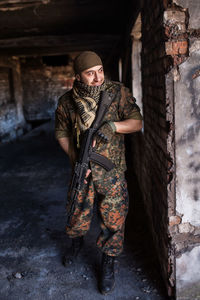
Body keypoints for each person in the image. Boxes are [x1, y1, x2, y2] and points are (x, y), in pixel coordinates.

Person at [55, 51, 142, 295]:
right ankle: (76, 242)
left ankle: (109, 260)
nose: (97, 78)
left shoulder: (117, 92)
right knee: (76, 210)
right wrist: (76, 159)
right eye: (90, 73)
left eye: (100, 70)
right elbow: (61, 132)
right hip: (82, 170)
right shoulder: (67, 102)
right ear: (78, 76)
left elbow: (137, 122)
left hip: (111, 170)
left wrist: (114, 126)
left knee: (113, 217)